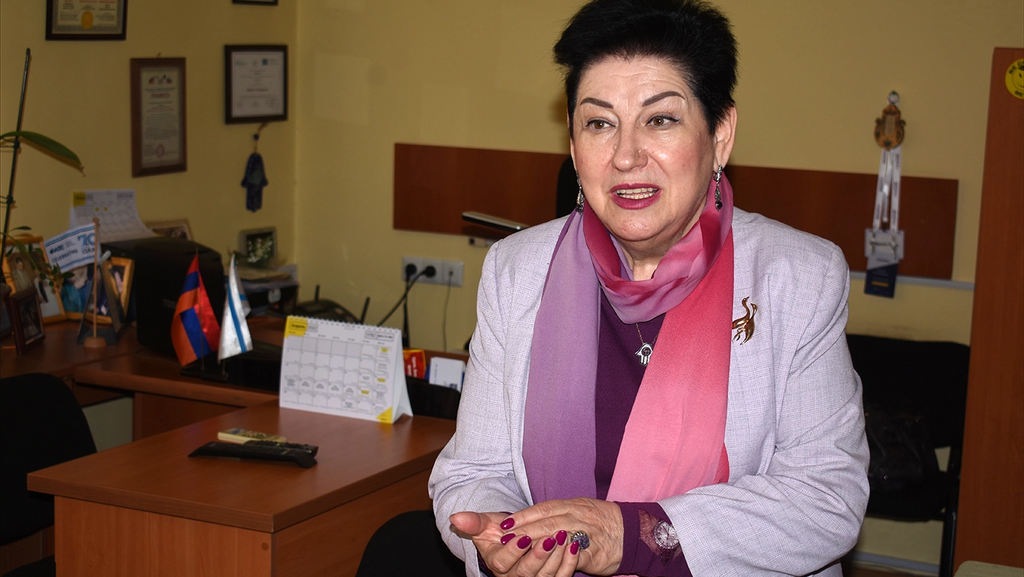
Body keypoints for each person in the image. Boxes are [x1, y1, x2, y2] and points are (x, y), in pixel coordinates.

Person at [428, 1, 869, 576]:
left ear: (721, 135)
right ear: (572, 142)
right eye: (599, 123)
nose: (627, 156)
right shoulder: (518, 270)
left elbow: (825, 497)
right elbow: (471, 472)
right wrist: (511, 542)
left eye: (659, 120)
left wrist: (631, 535)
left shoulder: (798, 276)